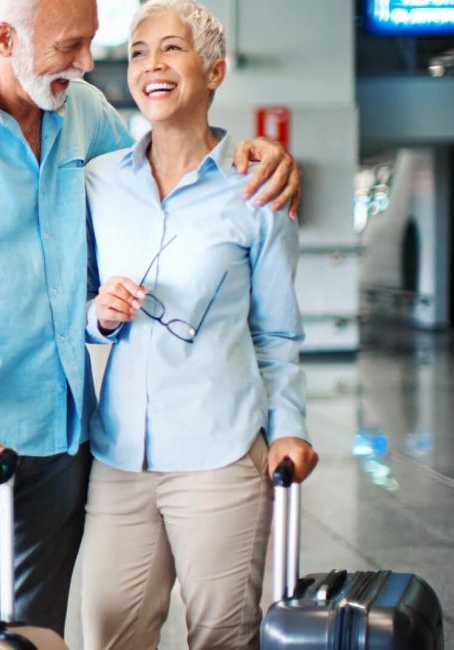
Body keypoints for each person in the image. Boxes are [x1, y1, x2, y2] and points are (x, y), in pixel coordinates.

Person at [0, 0, 300, 634]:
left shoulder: (85, 113)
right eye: (71, 46)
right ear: (8, 38)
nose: (87, 61)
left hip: (68, 435)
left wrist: (258, 157)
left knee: (41, 632)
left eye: (92, 43)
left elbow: (160, 177)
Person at [79, 1, 319, 648]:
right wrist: (97, 316)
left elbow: (276, 335)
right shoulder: (98, 182)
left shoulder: (255, 190)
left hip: (219, 453)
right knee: (108, 632)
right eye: (135, 51)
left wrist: (289, 430)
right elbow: (71, 304)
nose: (150, 65)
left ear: (213, 71)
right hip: (118, 456)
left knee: (222, 636)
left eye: (169, 49)